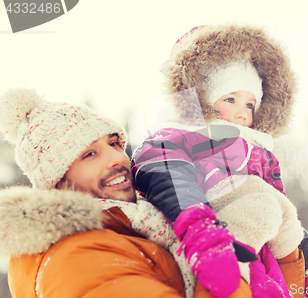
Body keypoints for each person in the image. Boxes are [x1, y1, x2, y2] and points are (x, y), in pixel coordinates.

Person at [131, 24, 308, 298]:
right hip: (213, 239)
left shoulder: (259, 153)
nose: (242, 113)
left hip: (266, 252)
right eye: (230, 99)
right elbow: (161, 166)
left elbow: (286, 219)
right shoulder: (182, 136)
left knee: (274, 211)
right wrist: (206, 237)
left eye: (249, 105)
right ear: (201, 100)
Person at [0, 88, 253, 298]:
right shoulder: (77, 258)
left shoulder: (141, 224)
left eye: (113, 144)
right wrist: (231, 259)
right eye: (89, 154)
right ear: (57, 183)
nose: (116, 158)